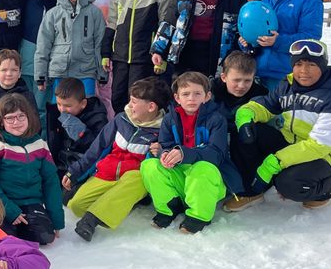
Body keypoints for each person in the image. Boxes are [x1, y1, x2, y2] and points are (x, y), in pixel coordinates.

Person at [225, 39, 331, 212]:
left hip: (322, 154)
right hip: (290, 142)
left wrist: (275, 162)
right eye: (299, 64)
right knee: (245, 133)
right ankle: (252, 190)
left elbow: (319, 145)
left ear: (323, 65)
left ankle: (323, 192)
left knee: (288, 183)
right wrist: (245, 117)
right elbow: (265, 105)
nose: (304, 71)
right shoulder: (288, 84)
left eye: (311, 64)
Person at [64, 76, 170, 242]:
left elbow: (170, 156)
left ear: (151, 107)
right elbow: (97, 148)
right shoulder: (121, 119)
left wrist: (161, 152)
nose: (129, 105)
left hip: (133, 180)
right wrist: (74, 172)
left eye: (134, 101)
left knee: (138, 176)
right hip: (108, 173)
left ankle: (92, 220)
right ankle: (118, 203)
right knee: (76, 206)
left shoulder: (164, 128)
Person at [140, 72, 237, 234]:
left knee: (203, 168)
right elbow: (165, 145)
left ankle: (199, 216)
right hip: (182, 178)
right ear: (177, 98)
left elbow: (216, 154)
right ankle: (169, 207)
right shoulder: (170, 118)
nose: (191, 98)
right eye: (186, 94)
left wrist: (184, 153)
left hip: (208, 183)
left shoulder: (216, 120)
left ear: (207, 96)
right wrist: (164, 154)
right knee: (149, 165)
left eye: (197, 93)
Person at [0, 93, 64, 244]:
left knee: (44, 236)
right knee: (4, 239)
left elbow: (51, 181)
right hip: (2, 205)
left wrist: (56, 220)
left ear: (29, 117)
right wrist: (11, 211)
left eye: (21, 116)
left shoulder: (39, 145)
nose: (16, 122)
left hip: (31, 203)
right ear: (1, 121)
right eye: (10, 118)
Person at [102, 0, 176, 113]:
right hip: (120, 56)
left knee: (139, 100)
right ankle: (121, 134)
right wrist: (106, 53)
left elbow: (167, 26)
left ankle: (139, 132)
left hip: (144, 58)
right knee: (118, 98)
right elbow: (112, 23)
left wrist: (162, 56)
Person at [240, 0, 324, 88]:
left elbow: (310, 38)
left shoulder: (310, 2)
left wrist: (278, 41)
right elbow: (258, 34)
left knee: (279, 109)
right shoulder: (266, 1)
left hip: (285, 73)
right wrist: (248, 42)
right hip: (256, 72)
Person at [35, 0, 106, 101]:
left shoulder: (94, 13)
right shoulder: (53, 14)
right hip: (59, 71)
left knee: (86, 106)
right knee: (61, 110)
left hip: (86, 71)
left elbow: (100, 45)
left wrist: (102, 74)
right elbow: (43, 46)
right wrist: (40, 75)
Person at [84, 0, 124, 117]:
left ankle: (108, 126)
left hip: (106, 39)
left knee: (106, 88)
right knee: (88, 91)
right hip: (85, 40)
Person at [46, 77, 108, 182]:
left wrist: (78, 130)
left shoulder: (97, 116)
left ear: (83, 104)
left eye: (67, 106)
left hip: (82, 168)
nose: (62, 109)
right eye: (59, 104)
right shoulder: (55, 113)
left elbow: (97, 147)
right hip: (59, 164)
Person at [20, 0, 61, 102]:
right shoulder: (28, 2)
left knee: (51, 104)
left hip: (54, 63)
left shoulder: (62, 4)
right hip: (28, 63)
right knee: (32, 104)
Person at [211, 52, 268, 142]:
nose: (241, 86)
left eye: (247, 80)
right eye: (236, 80)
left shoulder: (260, 95)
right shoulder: (209, 91)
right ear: (223, 77)